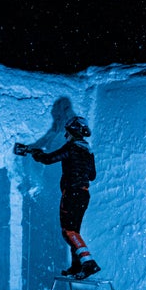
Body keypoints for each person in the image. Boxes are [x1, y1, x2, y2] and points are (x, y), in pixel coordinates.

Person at [29, 116, 100, 280]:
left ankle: (88, 263)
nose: (65, 136)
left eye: (67, 133)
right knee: (75, 231)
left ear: (73, 132)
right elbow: (92, 175)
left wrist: (35, 152)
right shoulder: (87, 151)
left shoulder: (72, 147)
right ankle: (77, 266)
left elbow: (48, 159)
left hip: (72, 193)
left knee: (68, 231)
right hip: (84, 194)